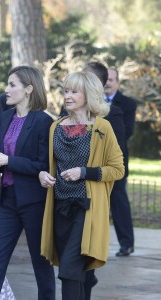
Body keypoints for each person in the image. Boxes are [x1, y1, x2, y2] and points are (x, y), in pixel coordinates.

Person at [40, 71, 125, 300]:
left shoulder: (102, 128)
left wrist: (84, 172)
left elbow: (117, 169)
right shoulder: (56, 127)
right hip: (60, 209)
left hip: (86, 209)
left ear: (89, 94)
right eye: (66, 90)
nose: (67, 96)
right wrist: (43, 175)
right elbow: (48, 165)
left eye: (74, 91)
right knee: (72, 272)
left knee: (69, 267)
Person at [0, 66, 56, 300]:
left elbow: (42, 165)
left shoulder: (43, 121)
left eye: (12, 84)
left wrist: (8, 160)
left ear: (29, 89)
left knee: (41, 266)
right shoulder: (6, 117)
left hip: (34, 202)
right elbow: (6, 158)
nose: (6, 89)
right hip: (8, 200)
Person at [82, 62, 126, 300]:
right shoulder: (65, 112)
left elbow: (117, 160)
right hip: (68, 193)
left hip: (94, 191)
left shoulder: (111, 115)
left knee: (87, 254)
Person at [104, 67, 137, 257]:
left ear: (118, 82)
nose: (107, 83)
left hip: (116, 161)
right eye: (105, 79)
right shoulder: (91, 101)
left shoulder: (128, 104)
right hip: (93, 162)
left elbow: (127, 131)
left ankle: (126, 243)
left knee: (118, 201)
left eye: (111, 79)